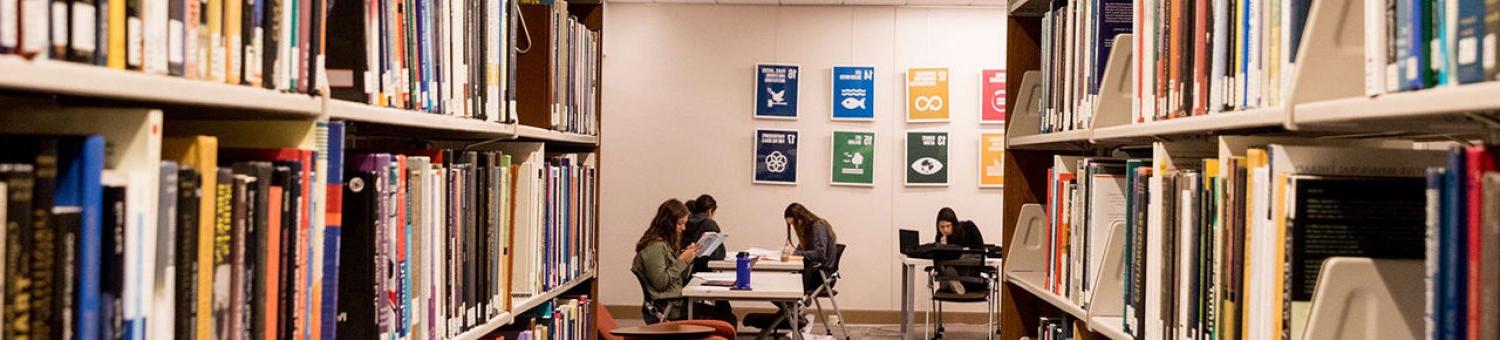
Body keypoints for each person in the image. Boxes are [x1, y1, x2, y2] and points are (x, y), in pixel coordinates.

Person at [631, 199, 736, 325]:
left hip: (675, 304)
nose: (683, 228)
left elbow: (679, 277)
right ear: (668, 223)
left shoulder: (664, 244)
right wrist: (681, 260)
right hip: (669, 309)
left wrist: (689, 258)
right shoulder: (655, 247)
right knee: (727, 319)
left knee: (726, 315)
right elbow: (661, 283)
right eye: (680, 224)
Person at [782, 203, 838, 293]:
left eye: (793, 223)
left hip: (820, 276)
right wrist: (792, 251)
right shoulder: (807, 229)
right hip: (812, 272)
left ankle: (790, 306)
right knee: (779, 283)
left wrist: (795, 253)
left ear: (800, 218)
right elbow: (801, 251)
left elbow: (820, 254)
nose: (794, 226)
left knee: (781, 286)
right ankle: (789, 307)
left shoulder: (818, 226)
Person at [933, 207, 988, 294]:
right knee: (941, 260)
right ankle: (952, 280)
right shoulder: (940, 237)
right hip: (950, 276)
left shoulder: (968, 228)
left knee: (964, 256)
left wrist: (965, 250)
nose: (945, 230)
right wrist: (943, 248)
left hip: (970, 278)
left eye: (948, 226)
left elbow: (980, 250)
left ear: (954, 224)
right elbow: (937, 262)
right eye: (942, 227)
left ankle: (951, 280)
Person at [680, 195, 726, 273]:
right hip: (705, 270)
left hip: (685, 270)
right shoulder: (709, 223)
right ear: (710, 211)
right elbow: (719, 255)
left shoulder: (684, 222)